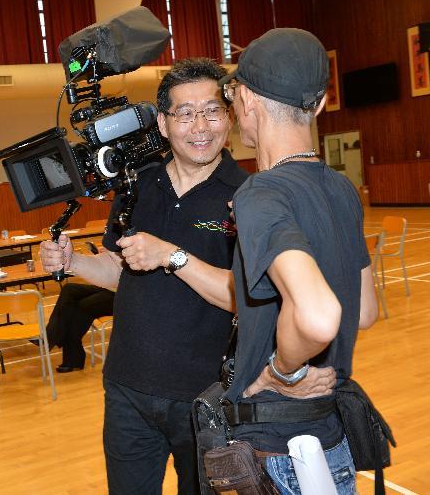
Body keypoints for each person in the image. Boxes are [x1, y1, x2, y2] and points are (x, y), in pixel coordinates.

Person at [40, 57, 248, 494]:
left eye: (212, 111)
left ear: (228, 118)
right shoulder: (137, 184)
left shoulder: (246, 195)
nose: (200, 126)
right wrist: (73, 262)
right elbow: (121, 268)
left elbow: (242, 297)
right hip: (127, 388)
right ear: (163, 122)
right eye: (185, 113)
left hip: (205, 395)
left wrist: (173, 255)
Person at [220, 28, 379, 494]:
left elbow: (317, 313)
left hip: (277, 451)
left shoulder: (259, 192)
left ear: (247, 100)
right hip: (329, 442)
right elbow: (364, 311)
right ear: (321, 103)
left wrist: (280, 374)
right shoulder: (341, 189)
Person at [44, 281, 114, 372]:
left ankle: (72, 359)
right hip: (106, 286)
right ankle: (50, 335)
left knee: (79, 306)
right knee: (69, 288)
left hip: (119, 295)